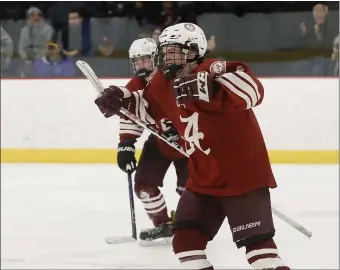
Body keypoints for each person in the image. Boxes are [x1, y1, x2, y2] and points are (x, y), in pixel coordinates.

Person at [94, 23, 290, 269]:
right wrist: (119, 100)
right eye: (163, 52)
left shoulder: (212, 69)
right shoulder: (160, 83)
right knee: (185, 243)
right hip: (202, 180)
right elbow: (144, 107)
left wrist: (209, 86)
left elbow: (253, 91)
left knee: (258, 251)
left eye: (172, 51)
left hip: (241, 177)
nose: (165, 58)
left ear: (193, 51)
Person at [117, 37, 189, 242]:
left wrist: (181, 130)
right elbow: (130, 115)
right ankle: (163, 225)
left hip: (189, 145)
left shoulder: (171, 79)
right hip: (160, 143)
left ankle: (189, 226)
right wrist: (126, 145)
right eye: (137, 60)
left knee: (191, 191)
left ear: (156, 59)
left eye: (145, 60)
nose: (141, 64)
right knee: (143, 187)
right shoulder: (134, 85)